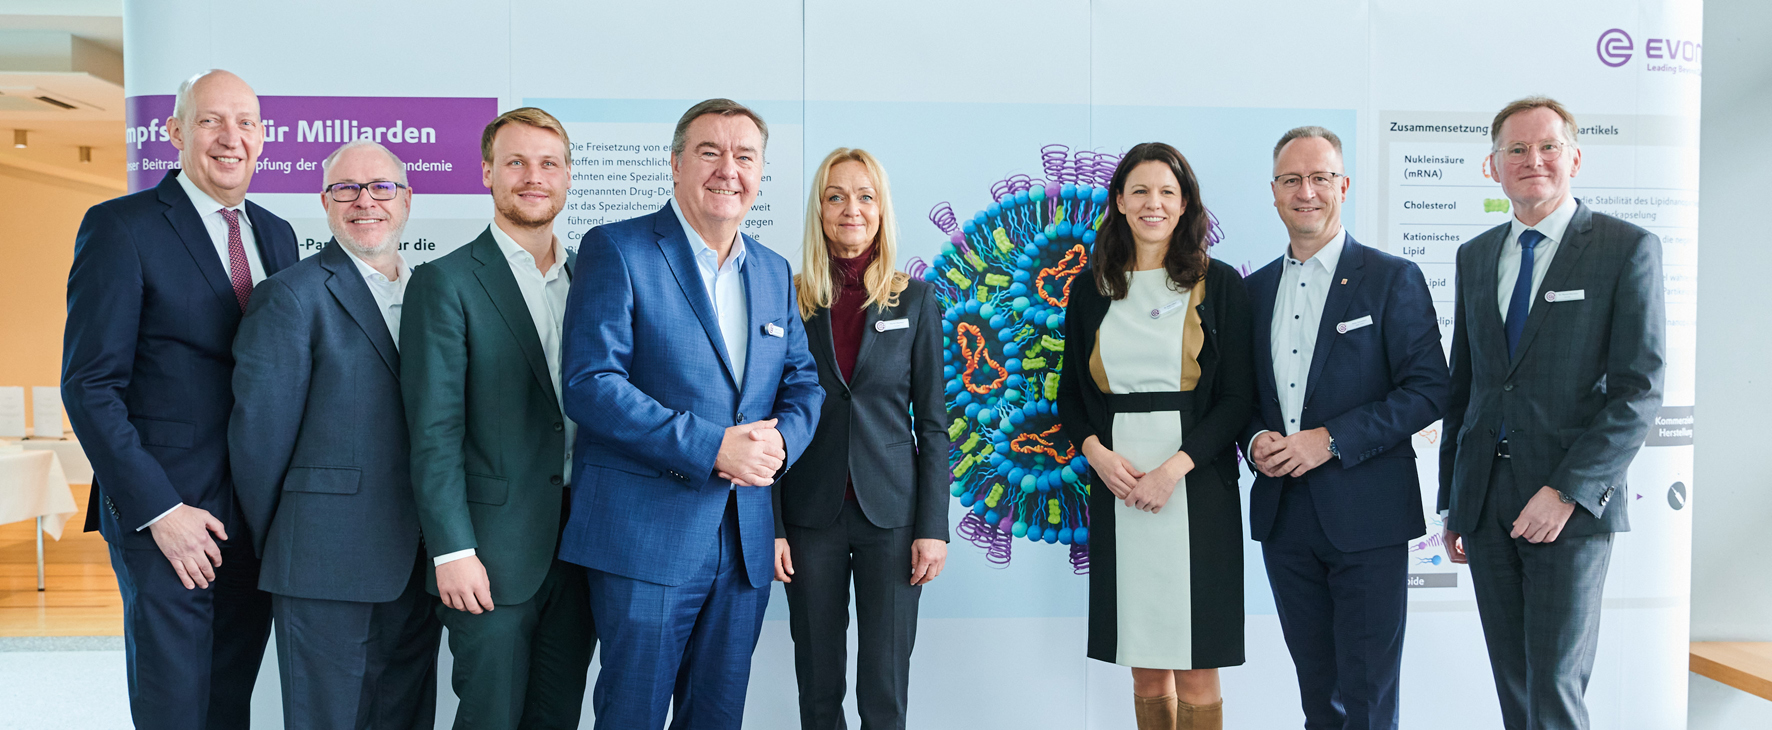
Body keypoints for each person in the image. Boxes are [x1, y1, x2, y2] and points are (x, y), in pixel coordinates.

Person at [558, 98, 823, 730]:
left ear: (759, 173)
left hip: (744, 541)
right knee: (633, 715)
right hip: (645, 539)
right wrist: (712, 447)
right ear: (676, 164)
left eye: (745, 156)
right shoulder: (616, 249)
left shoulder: (773, 270)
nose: (729, 169)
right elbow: (591, 384)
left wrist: (779, 444)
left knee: (717, 717)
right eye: (710, 152)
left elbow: (803, 383)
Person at [61, 69, 295, 730]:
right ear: (175, 131)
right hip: (166, 516)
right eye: (210, 120)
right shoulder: (120, 227)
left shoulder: (276, 233)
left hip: (256, 518)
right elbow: (89, 385)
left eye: (245, 123)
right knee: (175, 707)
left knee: (227, 704)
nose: (230, 137)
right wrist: (160, 511)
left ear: (262, 137)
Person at [1439, 96, 1665, 730]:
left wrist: (1566, 491)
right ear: (1493, 166)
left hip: (1569, 504)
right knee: (1514, 684)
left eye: (1547, 147)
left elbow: (1639, 390)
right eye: (1516, 149)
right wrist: (1456, 499)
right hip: (1485, 500)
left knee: (1555, 686)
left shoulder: (1625, 248)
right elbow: (1466, 385)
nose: (1532, 160)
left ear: (1575, 158)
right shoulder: (1476, 255)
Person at [228, 140, 442, 730]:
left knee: (406, 717)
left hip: (420, 560)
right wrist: (291, 540)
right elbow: (257, 441)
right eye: (345, 189)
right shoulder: (290, 296)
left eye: (381, 187)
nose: (364, 201)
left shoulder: (433, 292)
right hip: (322, 563)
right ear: (325, 203)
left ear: (406, 200)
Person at [1243, 127, 1449, 730]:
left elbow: (1429, 389)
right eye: (1292, 180)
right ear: (1274, 192)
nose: (1306, 192)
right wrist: (1254, 439)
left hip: (1368, 515)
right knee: (1318, 696)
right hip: (1285, 518)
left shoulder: (1391, 278)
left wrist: (1330, 440)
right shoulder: (1251, 292)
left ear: (1344, 185)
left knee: (1368, 699)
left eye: (1320, 178)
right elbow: (1241, 398)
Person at [401, 107, 596, 729]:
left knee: (557, 716)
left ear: (567, 177)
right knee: (490, 718)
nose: (533, 177)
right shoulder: (446, 281)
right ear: (487, 172)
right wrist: (452, 550)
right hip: (490, 554)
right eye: (516, 162)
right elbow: (433, 433)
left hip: (583, 546)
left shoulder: (593, 279)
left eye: (548, 164)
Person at [1056, 142, 1254, 730]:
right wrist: (1097, 455)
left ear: (1185, 202)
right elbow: (1071, 396)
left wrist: (1173, 469)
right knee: (1143, 664)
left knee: (1197, 665)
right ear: (1119, 201)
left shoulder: (1219, 285)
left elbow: (1237, 398)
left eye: (1168, 191)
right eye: (1140, 190)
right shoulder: (1090, 288)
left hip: (1197, 485)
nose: (1153, 203)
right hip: (1118, 488)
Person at [774, 148, 949, 729]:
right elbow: (766, 416)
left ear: (881, 209)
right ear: (820, 210)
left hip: (893, 517)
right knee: (818, 685)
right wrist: (773, 526)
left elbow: (933, 423)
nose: (852, 209)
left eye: (865, 196)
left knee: (885, 687)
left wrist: (932, 527)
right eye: (836, 196)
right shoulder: (788, 297)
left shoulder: (915, 299)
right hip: (809, 513)